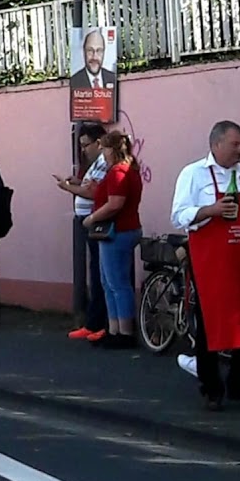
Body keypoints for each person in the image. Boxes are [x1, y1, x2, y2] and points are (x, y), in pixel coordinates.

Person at [170, 120, 240, 411]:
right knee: (210, 321)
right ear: (216, 144)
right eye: (235, 144)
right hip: (211, 260)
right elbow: (179, 215)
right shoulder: (193, 174)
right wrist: (211, 210)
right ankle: (211, 387)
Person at [82, 130, 143, 350]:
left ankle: (124, 332)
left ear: (112, 149)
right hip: (120, 230)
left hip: (118, 231)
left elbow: (115, 203)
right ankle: (114, 329)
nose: (103, 153)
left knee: (117, 283)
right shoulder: (125, 170)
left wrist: (91, 218)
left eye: (105, 148)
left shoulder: (118, 172)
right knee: (109, 283)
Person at [55, 123, 110, 341]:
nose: (84, 150)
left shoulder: (105, 162)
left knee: (99, 273)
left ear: (98, 143)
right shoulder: (96, 163)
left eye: (86, 145)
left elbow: (92, 192)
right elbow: (88, 185)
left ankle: (100, 323)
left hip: (97, 222)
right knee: (95, 271)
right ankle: (93, 322)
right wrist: (74, 181)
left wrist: (67, 187)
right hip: (88, 220)